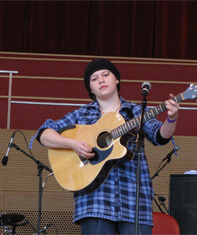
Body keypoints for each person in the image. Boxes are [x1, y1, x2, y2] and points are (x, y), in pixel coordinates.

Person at [31, 58, 179, 234]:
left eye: (105, 74)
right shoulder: (82, 114)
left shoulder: (136, 112)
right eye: (94, 79)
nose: (100, 80)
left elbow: (159, 136)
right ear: (90, 89)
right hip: (94, 202)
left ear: (116, 79)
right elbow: (44, 134)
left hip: (134, 199)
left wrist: (172, 118)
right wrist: (72, 144)